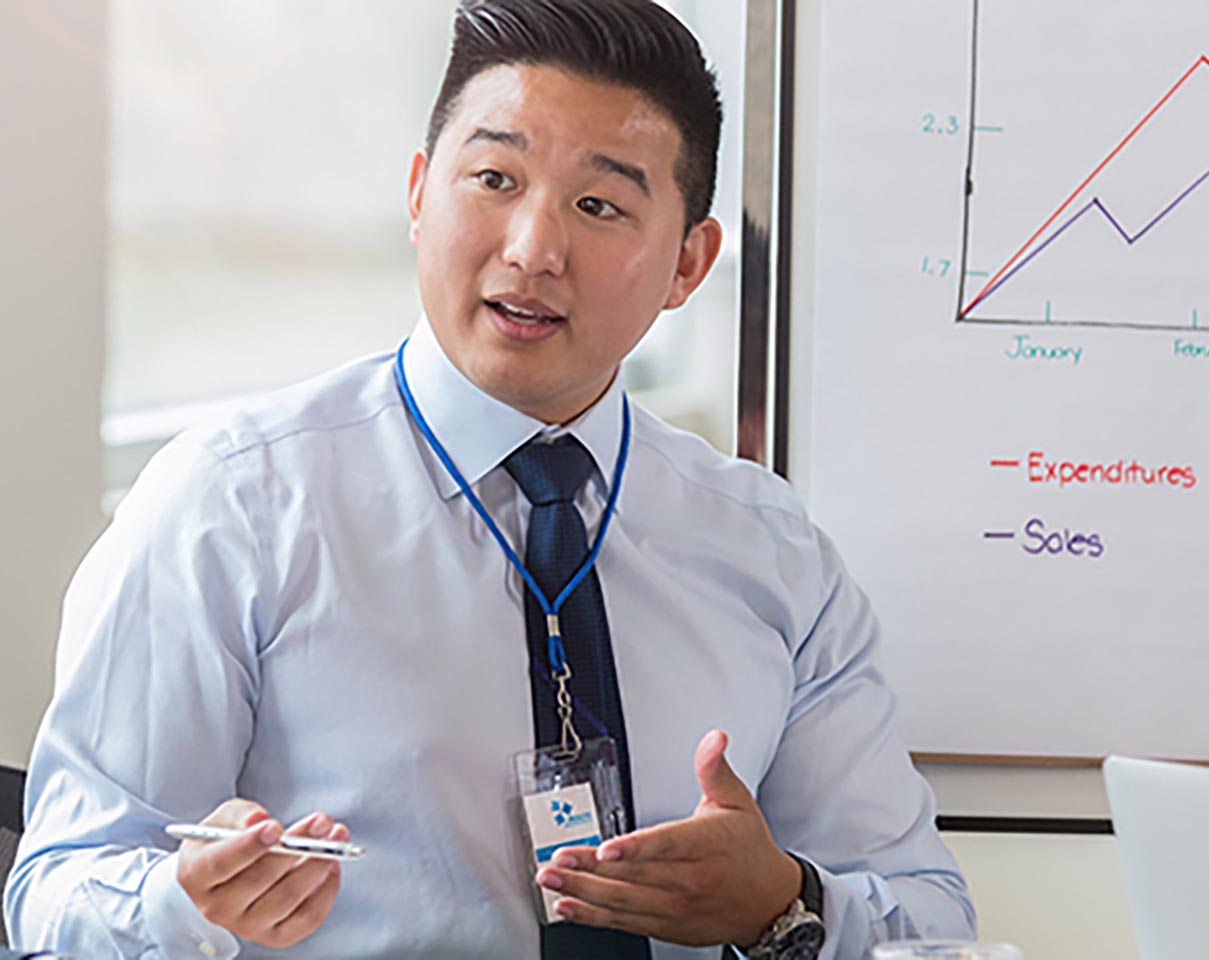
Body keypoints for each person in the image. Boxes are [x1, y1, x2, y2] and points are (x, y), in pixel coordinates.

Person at [3, 1, 975, 957]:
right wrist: (185, 912)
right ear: (421, 191)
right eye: (494, 178)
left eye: (599, 205)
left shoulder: (773, 551)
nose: (531, 250)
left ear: (689, 262)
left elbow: (931, 925)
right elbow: (53, 894)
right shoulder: (232, 506)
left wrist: (785, 906)